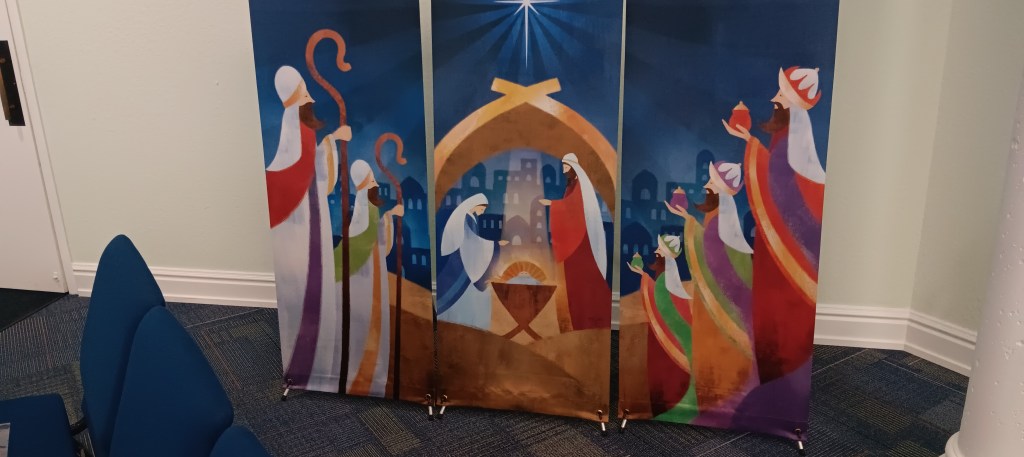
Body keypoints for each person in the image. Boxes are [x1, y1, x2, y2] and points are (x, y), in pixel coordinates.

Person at [722, 66, 825, 383]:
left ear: (792, 100)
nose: (774, 98)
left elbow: (783, 187)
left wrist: (751, 144)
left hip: (787, 242)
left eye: (781, 92)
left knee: (781, 305)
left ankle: (783, 371)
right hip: (772, 238)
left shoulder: (792, 138)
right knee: (767, 302)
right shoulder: (784, 135)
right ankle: (769, 368)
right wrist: (750, 141)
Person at [265, 65, 350, 392]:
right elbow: (302, 170)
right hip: (302, 223)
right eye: (304, 89)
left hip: (312, 215)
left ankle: (321, 356)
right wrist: (332, 142)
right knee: (308, 281)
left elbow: (310, 170)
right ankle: (308, 361)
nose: (310, 96)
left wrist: (329, 142)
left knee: (315, 280)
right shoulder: (296, 125)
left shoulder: (299, 125)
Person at [666, 162, 756, 427]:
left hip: (718, 302)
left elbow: (712, 258)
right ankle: (710, 394)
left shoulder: (719, 220)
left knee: (718, 348)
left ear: (721, 190)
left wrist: (688, 222)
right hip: (710, 298)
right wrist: (688, 219)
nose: (705, 185)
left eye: (711, 182)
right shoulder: (716, 216)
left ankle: (720, 398)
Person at [338, 160, 403, 397]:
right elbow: (367, 240)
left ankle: (375, 367)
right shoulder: (364, 208)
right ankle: (366, 368)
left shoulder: (365, 207)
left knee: (374, 319)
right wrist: (391, 218)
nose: (376, 183)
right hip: (366, 275)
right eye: (372, 179)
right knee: (367, 319)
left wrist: (388, 218)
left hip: (373, 272)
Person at [627, 235, 696, 421]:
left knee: (663, 369)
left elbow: (659, 300)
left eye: (659, 249)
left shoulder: (666, 277)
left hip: (665, 333)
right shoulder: (669, 276)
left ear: (665, 254)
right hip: (664, 330)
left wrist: (643, 277)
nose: (656, 251)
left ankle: (666, 402)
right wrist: (642, 274)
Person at [541, 153, 611, 331]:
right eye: (563, 166)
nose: (564, 170)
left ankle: (591, 319)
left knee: (584, 282)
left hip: (580, 242)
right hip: (574, 239)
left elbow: (573, 207)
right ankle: (577, 319)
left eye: (566, 166)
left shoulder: (580, 186)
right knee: (574, 284)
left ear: (574, 167)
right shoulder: (572, 185)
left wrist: (552, 204)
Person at [436, 194, 508, 330]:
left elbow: (472, 242)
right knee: (462, 296)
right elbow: (471, 242)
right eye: (482, 208)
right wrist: (495, 244)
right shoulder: (466, 218)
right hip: (461, 263)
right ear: (476, 205)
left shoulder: (468, 217)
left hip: (463, 260)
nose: (483, 211)